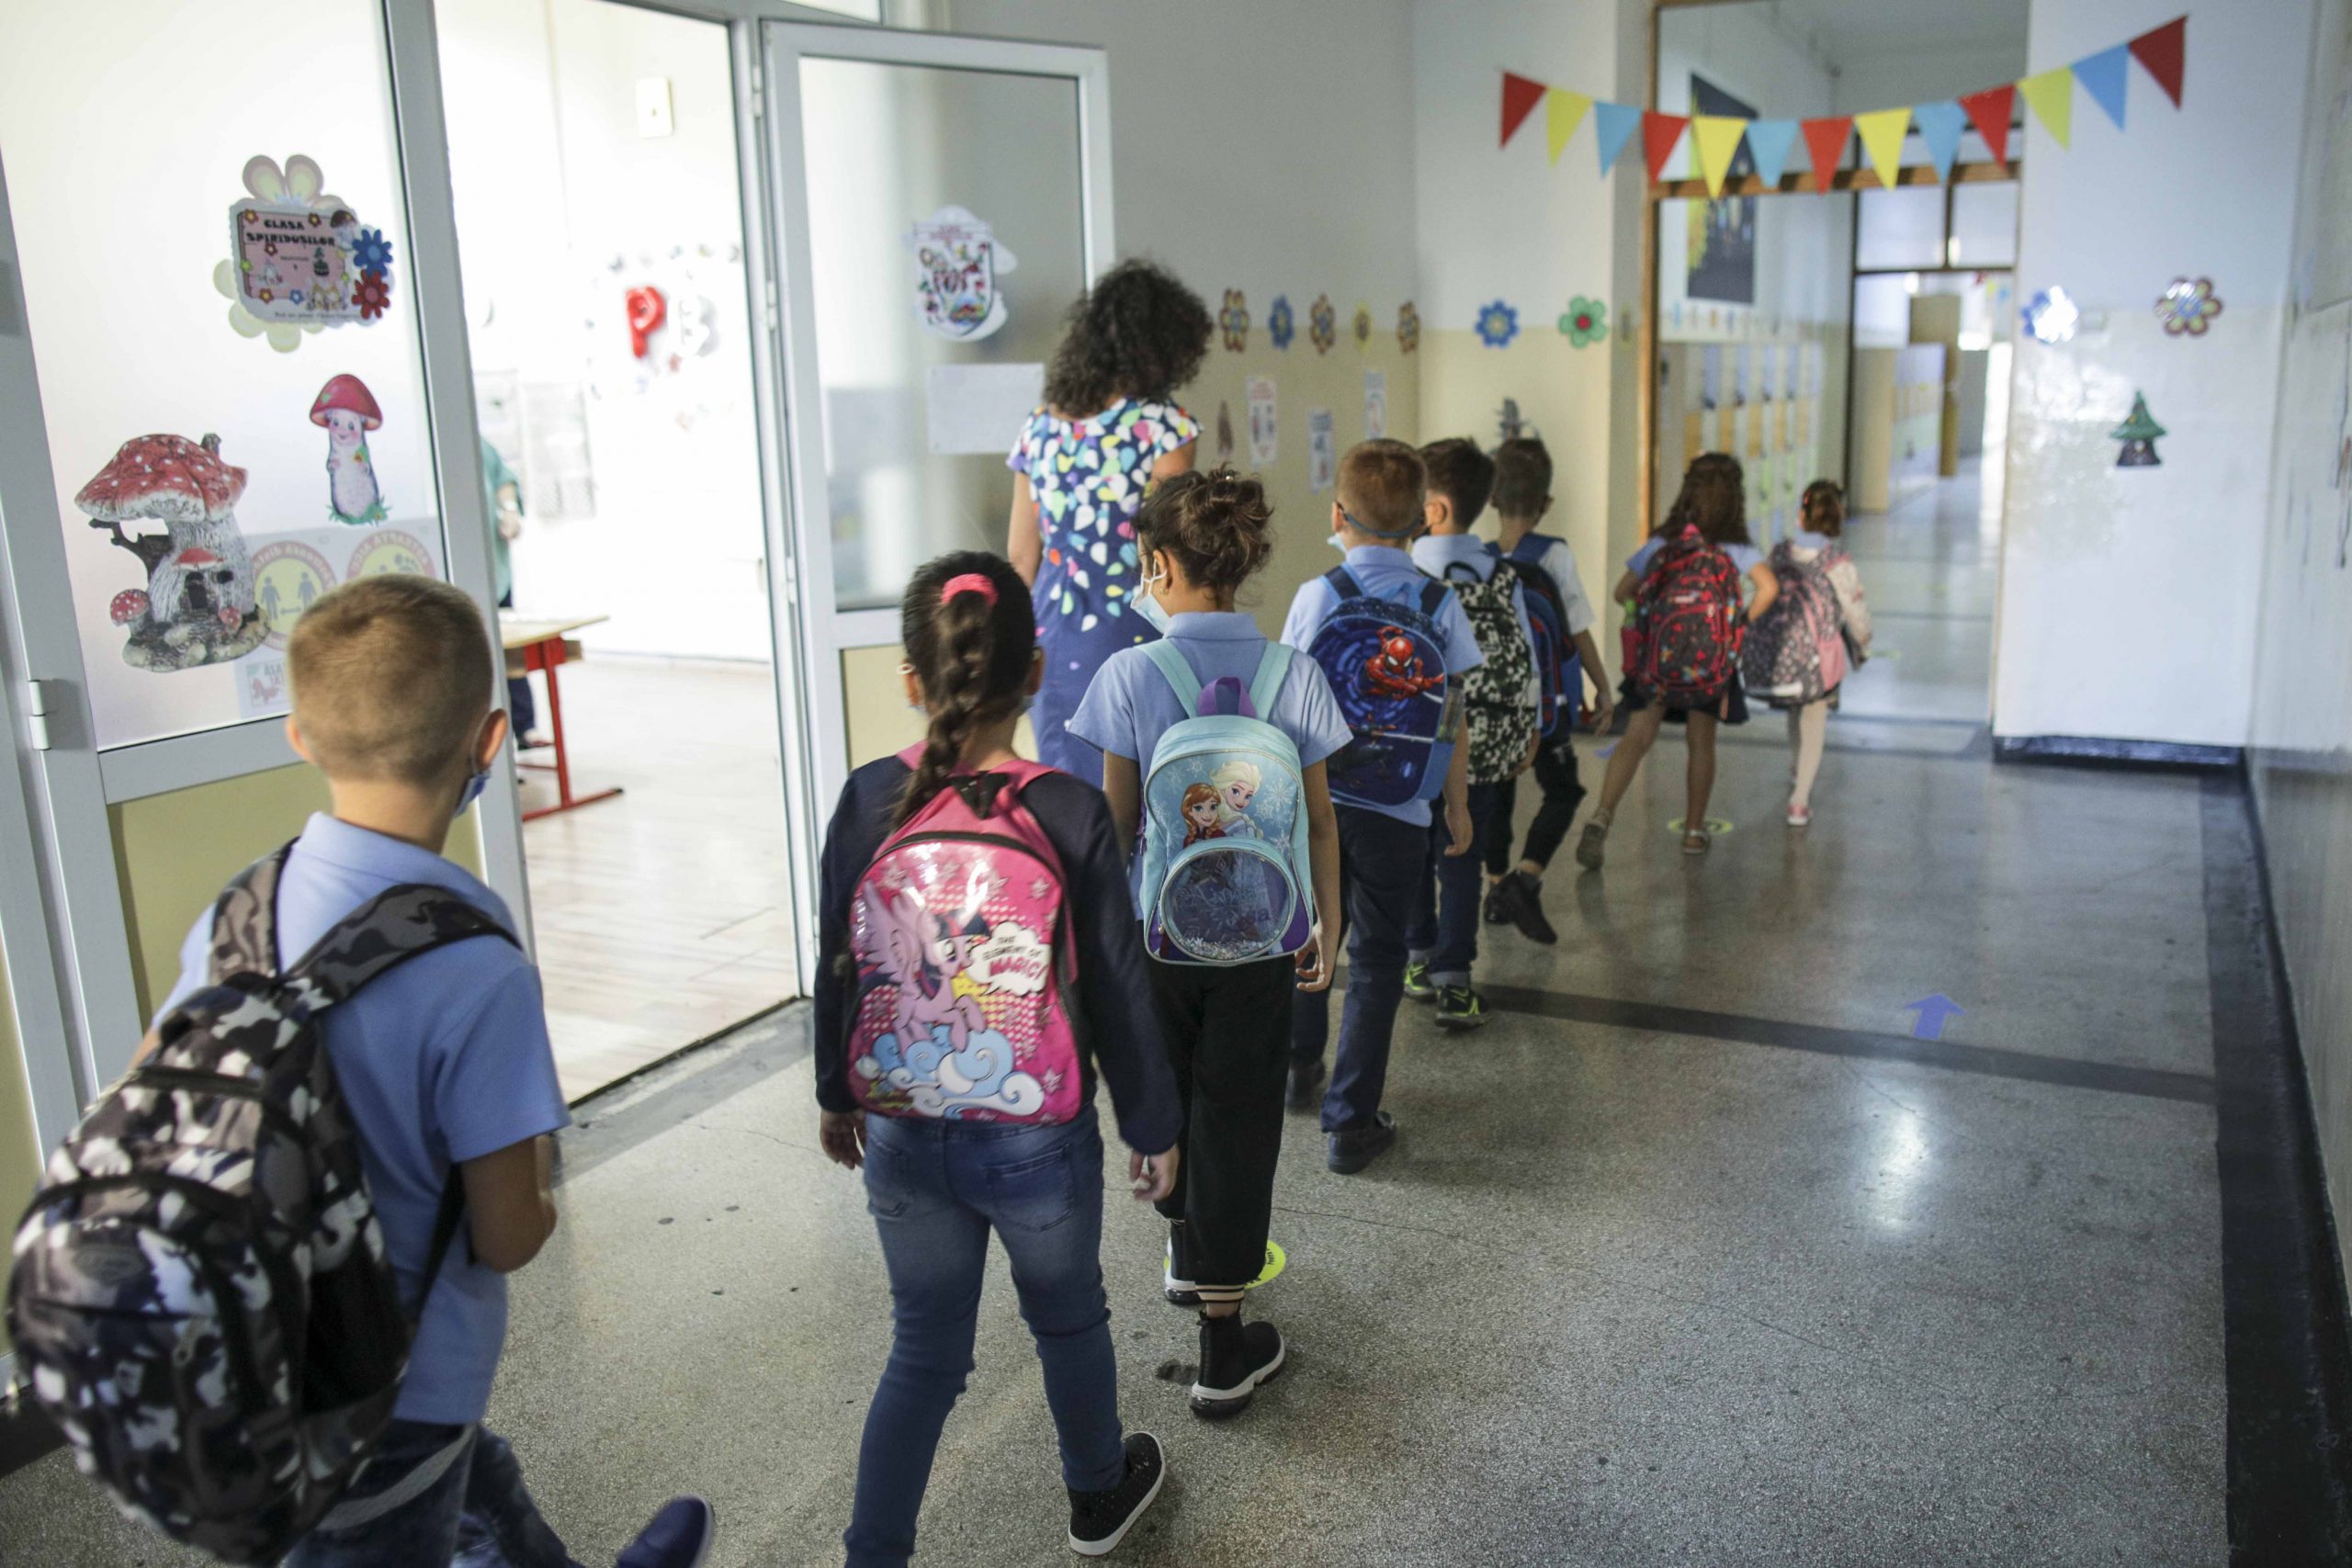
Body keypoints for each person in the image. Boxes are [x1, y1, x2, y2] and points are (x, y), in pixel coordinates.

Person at [151, 575, 713, 1568]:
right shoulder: (475, 964)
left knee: (480, 1485)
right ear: (489, 741)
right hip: (390, 1388)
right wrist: (537, 1197)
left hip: (235, 1343)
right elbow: (507, 1235)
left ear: (299, 736)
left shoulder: (238, 906)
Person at [814, 551, 1183, 1564]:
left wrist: (838, 1093)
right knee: (1068, 1320)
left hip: (900, 1124)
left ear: (910, 677)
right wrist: (1152, 1126)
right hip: (1035, 1136)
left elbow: (838, 960)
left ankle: (872, 1553)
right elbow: (1116, 983)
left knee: (923, 1352)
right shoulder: (1065, 808)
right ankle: (1097, 1492)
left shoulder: (866, 798)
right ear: (1036, 671)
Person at [1069, 468, 1347, 1418]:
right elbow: (1320, 821)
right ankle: (1224, 1347)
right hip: (1263, 942)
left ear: (1158, 564)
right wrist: (1327, 923)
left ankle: (1187, 1251)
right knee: (1238, 1118)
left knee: (1174, 1100)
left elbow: (1114, 828)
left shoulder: (1126, 675)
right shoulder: (1294, 673)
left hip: (1158, 939)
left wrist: (1099, 950)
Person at [1283, 441, 1479, 1174]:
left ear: (1338, 515)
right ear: (1422, 522)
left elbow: (1286, 696)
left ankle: (1297, 1063)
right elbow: (1452, 712)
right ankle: (1351, 1121)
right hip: (1399, 811)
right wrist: (1456, 801)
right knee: (1378, 958)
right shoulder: (1439, 602)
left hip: (1317, 803)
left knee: (1308, 933)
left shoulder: (1317, 595)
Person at [1008, 261, 1214, 784]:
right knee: (1148, 796)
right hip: (1134, 633)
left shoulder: (1040, 427)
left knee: (1070, 795)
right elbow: (1168, 555)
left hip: (1052, 639)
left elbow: (1021, 558)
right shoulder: (1165, 429)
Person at [1577, 453, 1778, 864]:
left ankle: (1601, 816)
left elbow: (1621, 592)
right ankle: (1693, 832)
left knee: (1636, 738)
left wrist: (1653, 614)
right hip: (1710, 663)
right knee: (1701, 742)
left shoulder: (1663, 543)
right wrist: (1736, 624)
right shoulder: (1735, 548)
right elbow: (1769, 588)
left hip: (1657, 660)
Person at [1403, 438, 1536, 1029]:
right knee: (1464, 853)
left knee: (1414, 848)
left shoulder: (1408, 574)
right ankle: (1455, 981)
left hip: (1417, 737)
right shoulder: (1502, 574)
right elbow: (1527, 656)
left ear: (1432, 508)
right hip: (1485, 741)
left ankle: (1417, 957)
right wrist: (1531, 726)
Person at [1480, 437, 1613, 943]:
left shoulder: (1478, 560)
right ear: (1547, 502)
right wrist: (1602, 688)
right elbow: (1576, 628)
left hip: (1495, 709)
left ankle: (1495, 887)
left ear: (1491, 499)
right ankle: (1526, 877)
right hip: (1548, 708)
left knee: (1496, 795)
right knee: (1564, 791)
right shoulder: (1554, 556)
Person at [1765, 479, 1873, 827]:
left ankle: (1798, 767)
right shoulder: (1836, 562)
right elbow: (1855, 611)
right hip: (1820, 657)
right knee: (1814, 717)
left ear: (1803, 513)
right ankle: (1799, 802)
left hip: (1783, 651)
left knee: (1794, 709)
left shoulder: (1780, 553)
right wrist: (1863, 645)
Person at [479, 435, 543, 748]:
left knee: (511, 646)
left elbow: (503, 478)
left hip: (493, 562)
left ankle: (524, 726)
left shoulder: (475, 441)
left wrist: (509, 511)